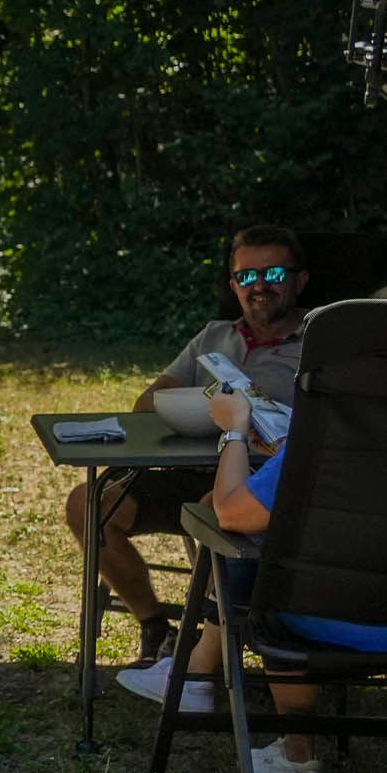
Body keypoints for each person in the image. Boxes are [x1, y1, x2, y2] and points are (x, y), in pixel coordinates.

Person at [116, 384, 387, 773]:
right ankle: (201, 677)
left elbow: (232, 513)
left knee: (245, 561)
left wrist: (234, 429)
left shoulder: (322, 448)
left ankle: (295, 749)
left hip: (318, 622)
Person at [66, 223, 309, 665]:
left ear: (300, 280)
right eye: (246, 277)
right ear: (233, 285)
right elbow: (147, 403)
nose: (259, 287)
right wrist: (205, 408)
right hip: (186, 472)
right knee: (88, 503)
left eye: (273, 275)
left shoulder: (317, 342)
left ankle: (200, 654)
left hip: (262, 483)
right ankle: (156, 626)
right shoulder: (214, 336)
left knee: (216, 508)